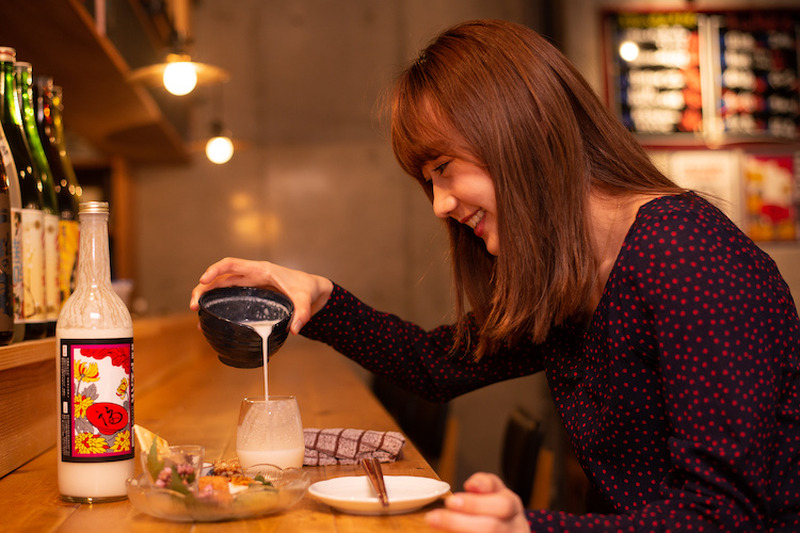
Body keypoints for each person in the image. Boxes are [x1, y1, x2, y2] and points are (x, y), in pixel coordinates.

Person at [189, 19, 800, 532]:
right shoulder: (572, 276)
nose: (440, 205)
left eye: (444, 167)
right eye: (429, 180)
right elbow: (432, 366)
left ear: (519, 130)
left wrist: (532, 527)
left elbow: (726, 515)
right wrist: (319, 300)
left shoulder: (685, 253)